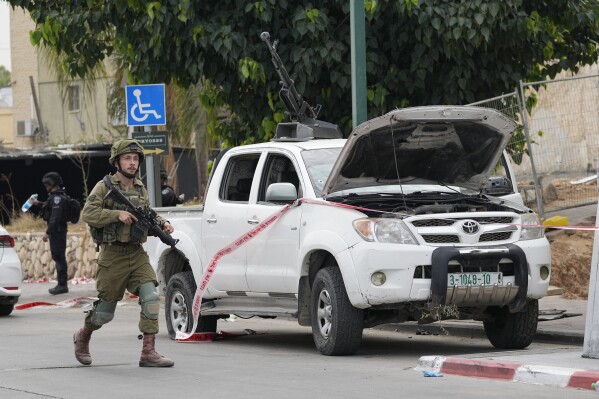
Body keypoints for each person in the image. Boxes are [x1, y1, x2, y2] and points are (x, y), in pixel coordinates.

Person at [73, 139, 175, 368]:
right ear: (117, 161)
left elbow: (147, 213)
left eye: (135, 158)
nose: (132, 163)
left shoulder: (140, 187)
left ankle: (148, 352)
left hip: (136, 254)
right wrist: (115, 214)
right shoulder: (104, 186)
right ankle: (83, 336)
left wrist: (163, 223)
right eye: (127, 158)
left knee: (150, 298)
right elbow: (88, 213)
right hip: (112, 256)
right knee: (104, 313)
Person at [33, 172, 70, 295]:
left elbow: (55, 217)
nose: (45, 186)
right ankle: (62, 284)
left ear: (51, 183)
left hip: (57, 232)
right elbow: (49, 207)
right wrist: (38, 203)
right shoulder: (56, 197)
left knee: (59, 257)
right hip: (57, 231)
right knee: (58, 257)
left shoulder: (57, 198)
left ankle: (62, 285)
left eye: (46, 184)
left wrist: (47, 232)